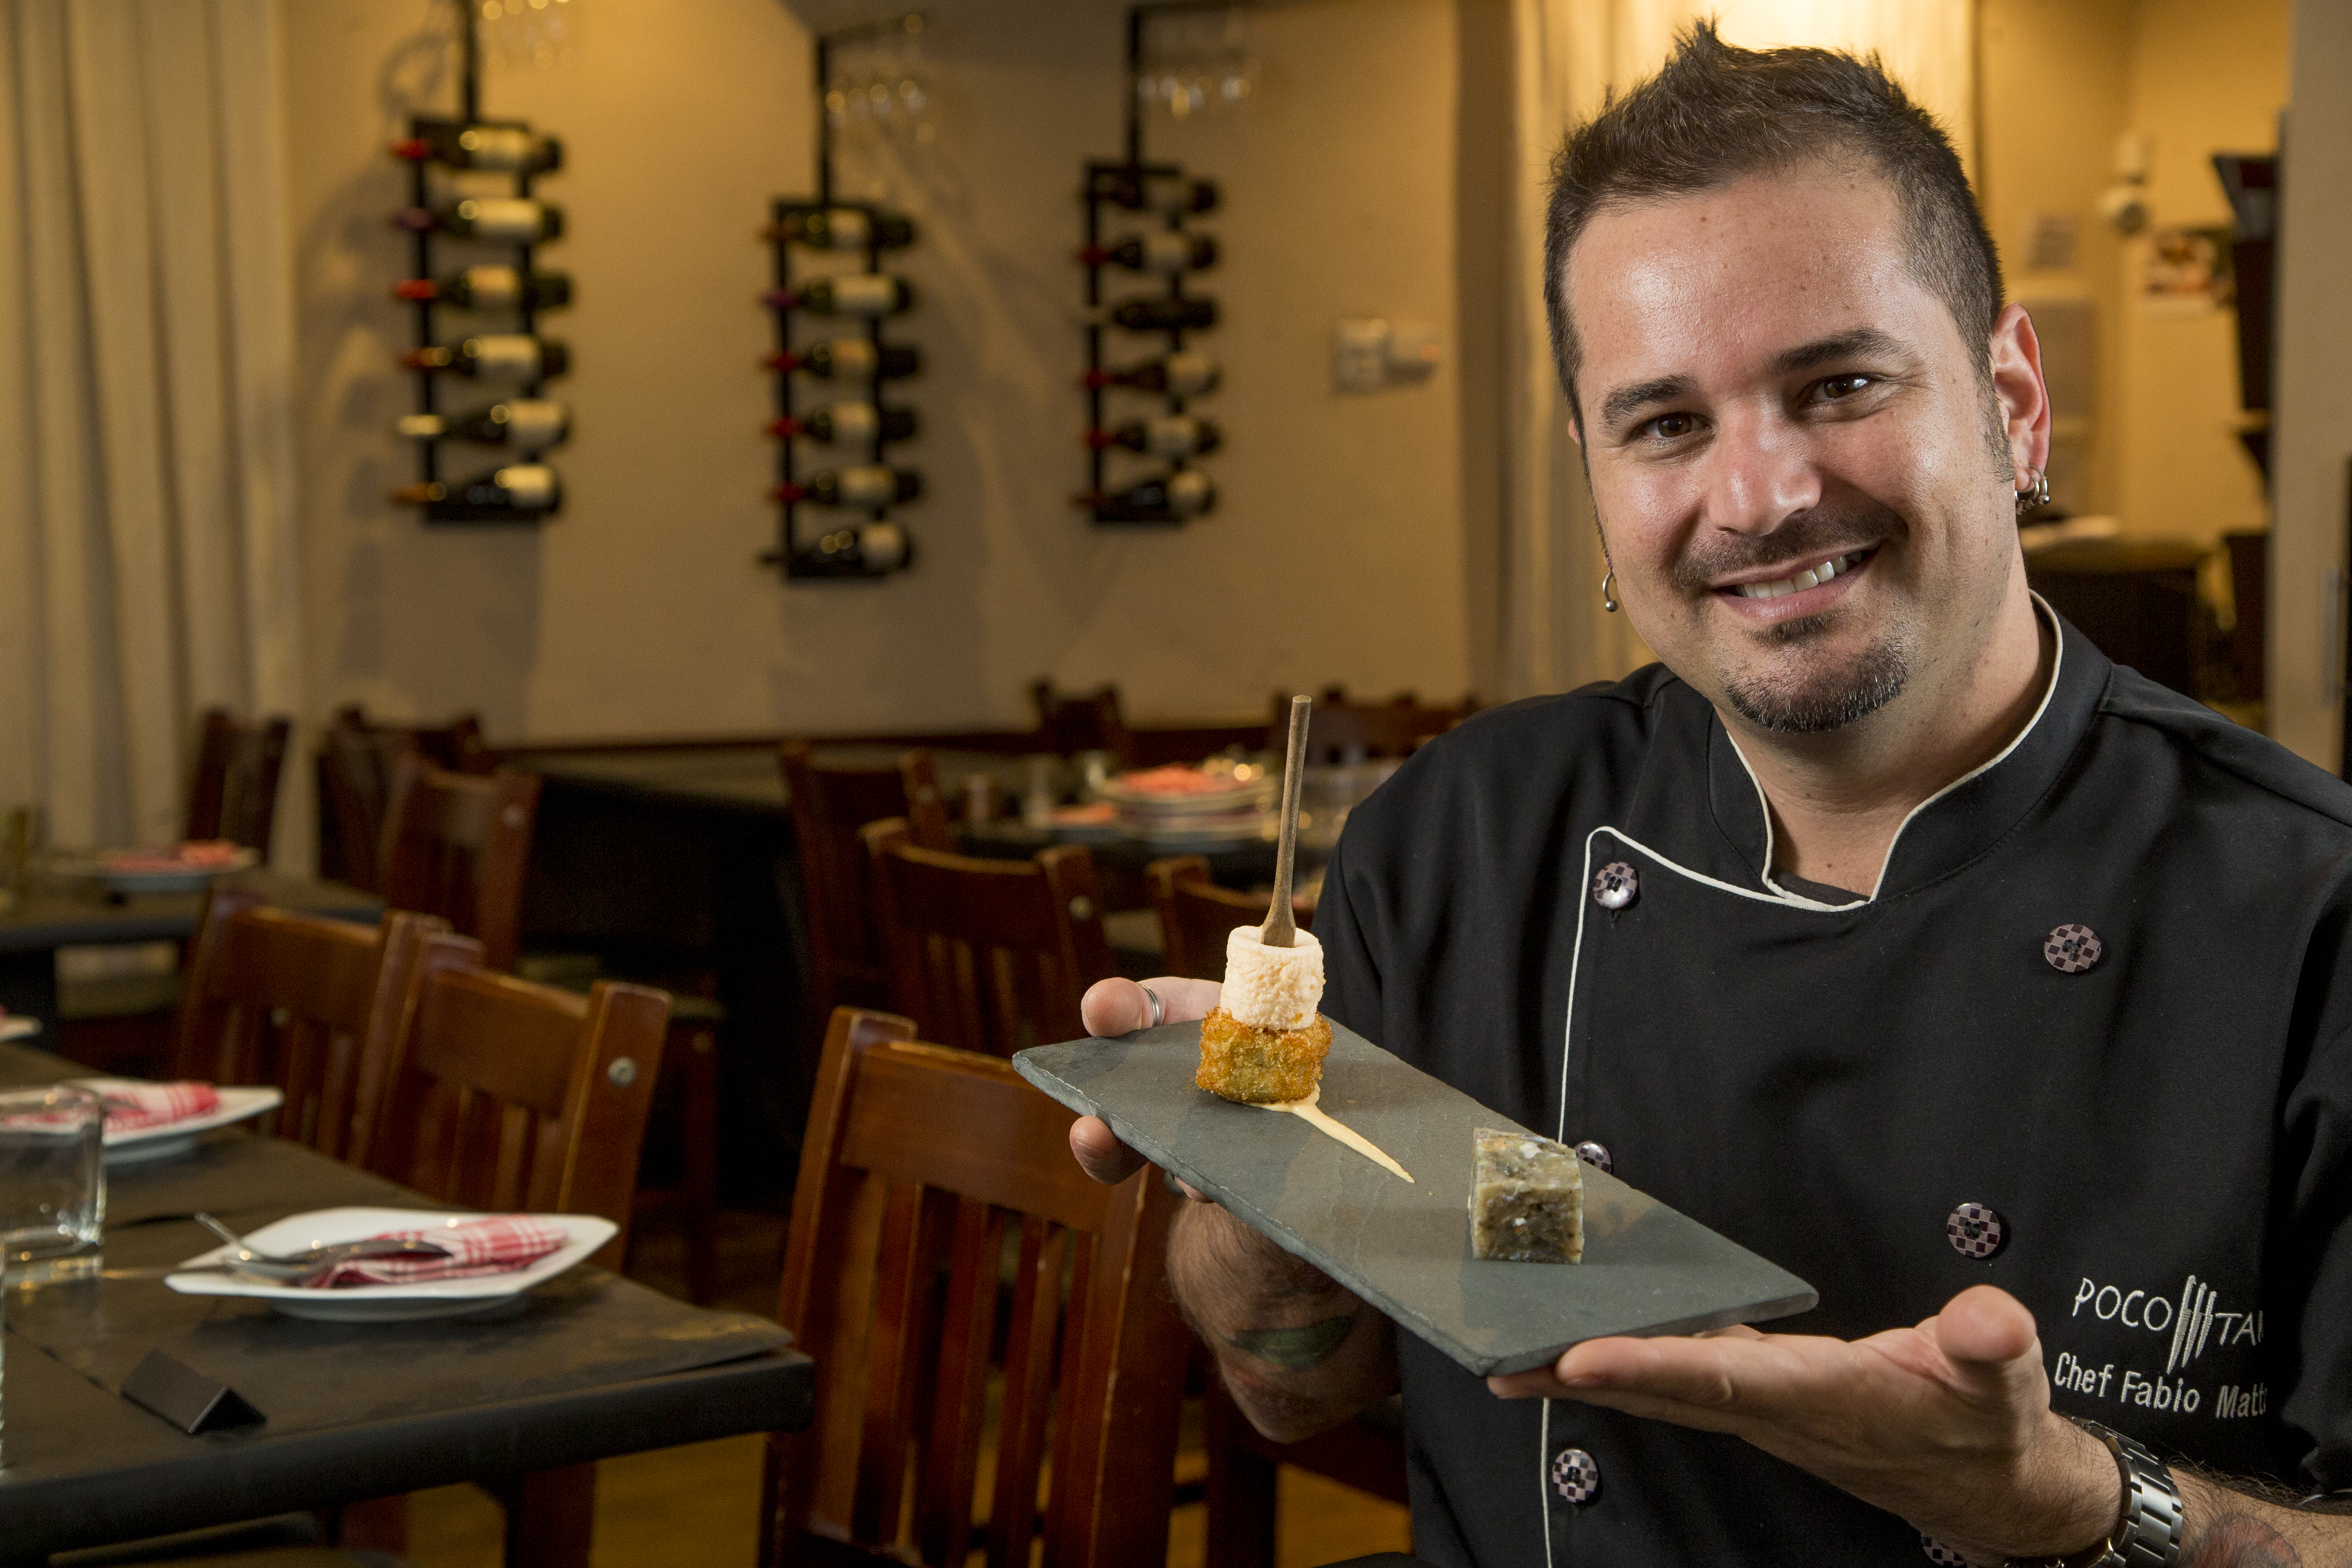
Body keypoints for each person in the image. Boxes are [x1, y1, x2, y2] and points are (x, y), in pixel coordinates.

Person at [1069, 24, 2352, 1568]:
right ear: (1596, 474)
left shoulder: (2308, 916)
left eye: (1840, 382)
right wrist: (1267, 1206)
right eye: (1668, 422)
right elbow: (1298, 1399)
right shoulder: (1461, 840)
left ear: (2014, 398)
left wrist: (2072, 1509)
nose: (1759, 496)